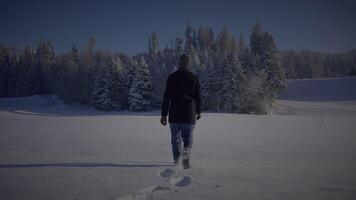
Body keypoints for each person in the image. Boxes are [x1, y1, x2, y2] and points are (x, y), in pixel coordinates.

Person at [160, 54, 201, 168]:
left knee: (175, 139)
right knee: (188, 138)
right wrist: (198, 111)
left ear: (179, 63)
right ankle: (186, 155)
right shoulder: (193, 77)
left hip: (174, 114)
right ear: (189, 64)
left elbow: (166, 97)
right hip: (189, 113)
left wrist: (163, 114)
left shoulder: (172, 77)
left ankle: (177, 160)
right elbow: (198, 97)